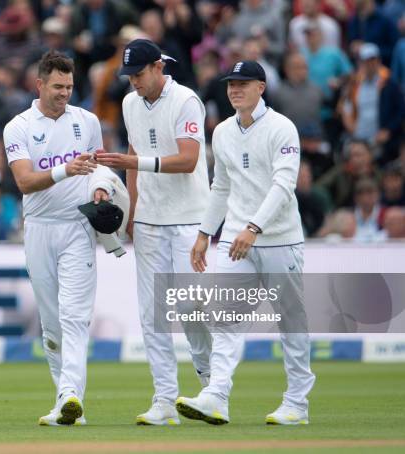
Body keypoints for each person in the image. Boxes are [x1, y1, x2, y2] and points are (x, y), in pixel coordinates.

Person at [176, 60, 315, 425]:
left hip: (279, 239)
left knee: (291, 321)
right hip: (235, 241)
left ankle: (297, 404)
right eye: (230, 84)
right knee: (224, 319)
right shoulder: (222, 131)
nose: (235, 90)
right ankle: (217, 395)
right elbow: (221, 186)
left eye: (243, 83)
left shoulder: (282, 128)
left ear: (261, 87)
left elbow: (284, 186)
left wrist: (254, 228)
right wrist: (205, 234)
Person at [96, 39, 212, 426]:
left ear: (159, 67)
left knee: (192, 307)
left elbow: (189, 159)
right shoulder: (130, 104)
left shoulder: (186, 101)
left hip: (189, 218)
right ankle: (164, 399)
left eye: (140, 74)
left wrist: (135, 162)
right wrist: (131, 211)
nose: (134, 83)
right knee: (152, 314)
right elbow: (132, 164)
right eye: (129, 76)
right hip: (150, 220)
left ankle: (210, 384)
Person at [3, 50, 112, 426]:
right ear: (39, 84)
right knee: (51, 326)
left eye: (69, 86)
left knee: (74, 317)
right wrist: (66, 170)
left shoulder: (87, 121)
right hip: (38, 227)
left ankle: (70, 394)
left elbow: (98, 169)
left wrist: (100, 189)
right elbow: (24, 181)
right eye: (57, 86)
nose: (65, 93)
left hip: (77, 227)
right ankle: (65, 403)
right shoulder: (17, 126)